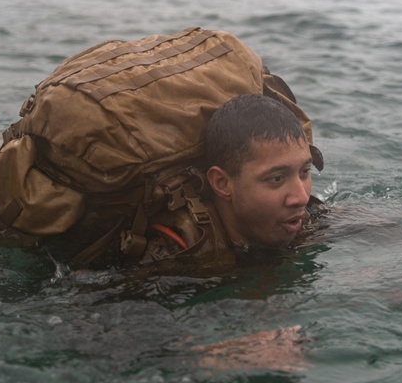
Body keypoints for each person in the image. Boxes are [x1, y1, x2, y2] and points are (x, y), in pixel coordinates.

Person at [139, 93, 324, 264]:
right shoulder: (171, 257)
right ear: (222, 183)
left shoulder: (305, 219)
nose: (301, 198)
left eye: (304, 172)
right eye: (277, 179)